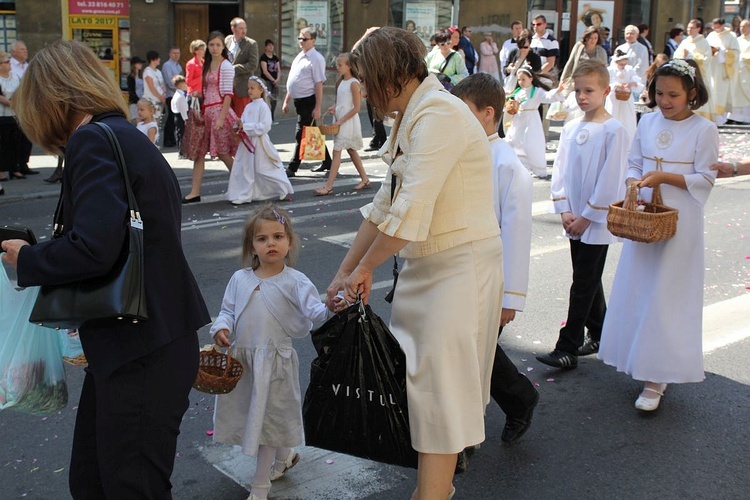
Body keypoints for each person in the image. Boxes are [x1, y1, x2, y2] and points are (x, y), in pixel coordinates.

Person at [1, 39, 210, 498]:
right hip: (146, 341)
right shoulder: (122, 135)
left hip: (139, 347)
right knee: (98, 480)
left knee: (127, 486)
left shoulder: (93, 140)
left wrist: (28, 259)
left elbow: (94, 247)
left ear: (50, 98)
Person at [326, 27, 503, 500]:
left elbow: (409, 212)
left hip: (458, 266)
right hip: (426, 266)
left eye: (366, 79)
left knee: (439, 394)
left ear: (392, 74)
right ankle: (434, 492)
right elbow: (385, 206)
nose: (363, 91)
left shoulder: (439, 114)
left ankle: (431, 496)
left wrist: (364, 271)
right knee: (422, 393)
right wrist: (345, 271)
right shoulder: (415, 113)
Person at [598, 59, 718, 411]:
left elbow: (705, 180)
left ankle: (657, 377)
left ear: (692, 94)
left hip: (681, 221)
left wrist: (664, 179)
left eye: (674, 95)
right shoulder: (647, 120)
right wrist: (634, 181)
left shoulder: (704, 130)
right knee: (640, 288)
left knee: (667, 295)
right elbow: (634, 162)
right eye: (660, 93)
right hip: (646, 218)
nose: (665, 101)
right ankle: (636, 357)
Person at [211, 205, 338, 500]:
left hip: (275, 365)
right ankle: (285, 456)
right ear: (251, 246)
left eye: (278, 236)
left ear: (290, 242)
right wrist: (221, 328)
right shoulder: (239, 279)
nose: (271, 243)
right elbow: (227, 310)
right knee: (259, 417)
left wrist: (333, 305)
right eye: (262, 238)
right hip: (245, 363)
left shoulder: (295, 281)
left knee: (266, 422)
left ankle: (260, 486)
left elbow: (316, 313)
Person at [451, 73, 540, 444]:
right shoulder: (463, 151)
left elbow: (517, 234)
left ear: (488, 113)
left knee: (471, 351)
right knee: (466, 349)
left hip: (490, 279)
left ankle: (477, 426)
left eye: (464, 112)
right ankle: (516, 399)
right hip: (458, 271)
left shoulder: (507, 164)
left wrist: (510, 297)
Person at [536, 60, 629, 370]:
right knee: (587, 278)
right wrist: (564, 209)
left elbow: (611, 178)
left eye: (589, 90)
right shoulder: (572, 126)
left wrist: (588, 216)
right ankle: (601, 333)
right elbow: (560, 168)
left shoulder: (614, 130)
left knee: (583, 281)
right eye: (577, 90)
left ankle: (568, 345)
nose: (582, 96)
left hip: (594, 220)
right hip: (573, 216)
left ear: (606, 91)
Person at [182, 31, 238, 203]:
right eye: (212, 45)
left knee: (223, 152)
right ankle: (195, 192)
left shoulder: (226, 65)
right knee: (199, 153)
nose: (214, 48)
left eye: (218, 45)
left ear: (223, 47)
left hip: (220, 112)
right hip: (207, 112)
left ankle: (243, 183)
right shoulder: (207, 64)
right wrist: (200, 94)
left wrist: (221, 118)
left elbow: (228, 94)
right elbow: (208, 88)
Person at [227, 77, 293, 205]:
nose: (249, 91)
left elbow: (265, 126)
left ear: (260, 90)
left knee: (263, 169)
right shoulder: (249, 106)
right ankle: (244, 194)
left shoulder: (263, 107)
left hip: (259, 143)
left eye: (252, 88)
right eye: (248, 88)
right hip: (247, 143)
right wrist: (239, 125)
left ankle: (282, 187)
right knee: (245, 168)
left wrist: (246, 127)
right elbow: (245, 121)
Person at [313, 53, 369, 196]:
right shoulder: (340, 82)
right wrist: (334, 107)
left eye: (340, 65)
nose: (337, 67)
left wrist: (341, 120)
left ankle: (328, 186)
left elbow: (356, 107)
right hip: (340, 120)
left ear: (349, 66)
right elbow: (341, 101)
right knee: (350, 150)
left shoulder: (354, 83)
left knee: (336, 151)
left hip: (347, 122)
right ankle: (365, 178)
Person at [282, 27, 332, 177]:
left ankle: (292, 166)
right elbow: (294, 81)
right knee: (312, 132)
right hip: (298, 100)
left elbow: (318, 84)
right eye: (299, 38)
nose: (301, 42)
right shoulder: (300, 56)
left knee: (301, 133)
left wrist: (317, 107)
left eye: (304, 39)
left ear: (313, 41)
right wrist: (286, 101)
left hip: (308, 100)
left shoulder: (316, 58)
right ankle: (327, 161)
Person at [504, 66, 564, 179]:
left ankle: (538, 169)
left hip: (531, 121)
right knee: (513, 141)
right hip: (518, 120)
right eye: (519, 79)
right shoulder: (518, 92)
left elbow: (547, 96)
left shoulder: (536, 91)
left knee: (532, 144)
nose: (520, 82)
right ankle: (520, 167)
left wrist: (558, 90)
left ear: (531, 78)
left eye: (523, 79)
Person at [675, 19, 715, 122]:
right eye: (688, 27)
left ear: (698, 29)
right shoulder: (685, 41)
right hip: (685, 76)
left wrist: (691, 56)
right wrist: (683, 56)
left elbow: (706, 59)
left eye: (692, 28)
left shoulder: (703, 42)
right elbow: (676, 55)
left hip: (698, 75)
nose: (689, 30)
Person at [9, 40, 37, 176]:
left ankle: (24, 163)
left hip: (28, 104)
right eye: (21, 50)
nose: (25, 52)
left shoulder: (28, 66)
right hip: (13, 105)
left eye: (25, 49)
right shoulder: (9, 66)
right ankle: (15, 166)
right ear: (13, 52)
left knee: (27, 136)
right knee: (15, 137)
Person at [706, 18, 740, 125]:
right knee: (711, 91)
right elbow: (705, 48)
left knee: (720, 93)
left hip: (723, 70)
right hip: (711, 67)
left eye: (717, 27)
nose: (715, 29)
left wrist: (720, 51)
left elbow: (735, 53)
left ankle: (720, 119)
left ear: (723, 25)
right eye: (714, 27)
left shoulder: (731, 37)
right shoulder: (711, 35)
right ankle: (710, 115)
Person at [605, 50, 643, 142]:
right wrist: (616, 85)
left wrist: (631, 84)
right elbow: (606, 83)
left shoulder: (629, 69)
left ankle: (628, 140)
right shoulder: (610, 70)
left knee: (627, 119)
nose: (623, 66)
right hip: (614, 98)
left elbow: (637, 81)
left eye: (624, 64)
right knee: (614, 115)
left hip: (626, 98)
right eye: (621, 64)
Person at [225, 17, 259, 118]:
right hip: (227, 86)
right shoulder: (227, 40)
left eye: (245, 28)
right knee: (228, 117)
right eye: (241, 28)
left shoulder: (251, 44)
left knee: (242, 118)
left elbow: (253, 65)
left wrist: (234, 68)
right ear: (233, 29)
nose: (244, 31)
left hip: (242, 87)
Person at [0, 51, 22, 182]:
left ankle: (15, 169)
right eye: (7, 62)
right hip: (2, 115)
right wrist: (11, 103)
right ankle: (1, 171)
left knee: (15, 143)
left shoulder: (14, 77)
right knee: (3, 144)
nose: (9, 64)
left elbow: (20, 91)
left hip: (14, 114)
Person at [615, 25, 649, 92]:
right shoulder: (619, 48)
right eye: (627, 33)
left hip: (634, 83)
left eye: (631, 34)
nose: (629, 35)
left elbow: (641, 67)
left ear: (637, 35)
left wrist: (629, 77)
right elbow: (614, 64)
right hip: (620, 83)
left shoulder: (642, 49)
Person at [728, 18, 750, 124]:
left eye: (745, 26)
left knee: (746, 94)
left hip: (747, 71)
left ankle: (746, 117)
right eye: (741, 26)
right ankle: (734, 116)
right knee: (736, 94)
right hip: (736, 71)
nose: (742, 29)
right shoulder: (737, 40)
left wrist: (744, 59)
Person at [161, 47, 183, 148]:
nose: (176, 55)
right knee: (171, 117)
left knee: (176, 118)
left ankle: (173, 140)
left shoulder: (178, 66)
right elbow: (170, 82)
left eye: (178, 53)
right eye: (174, 53)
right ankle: (167, 140)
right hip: (171, 95)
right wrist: (179, 88)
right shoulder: (167, 65)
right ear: (169, 54)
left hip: (179, 94)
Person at [142, 50, 166, 132]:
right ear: (153, 59)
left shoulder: (158, 72)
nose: (159, 59)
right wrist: (160, 96)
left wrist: (164, 94)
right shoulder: (147, 71)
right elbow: (151, 87)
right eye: (158, 58)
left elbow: (162, 85)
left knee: (158, 123)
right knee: (151, 124)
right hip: (151, 101)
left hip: (159, 102)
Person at [259, 39, 280, 119]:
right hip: (267, 81)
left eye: (272, 45)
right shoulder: (263, 57)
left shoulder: (275, 58)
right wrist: (273, 80)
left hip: (275, 82)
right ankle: (266, 118)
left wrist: (277, 79)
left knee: (274, 100)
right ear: (265, 47)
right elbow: (265, 71)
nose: (271, 47)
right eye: (269, 45)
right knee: (267, 99)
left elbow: (279, 70)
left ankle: (272, 117)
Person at [170, 75, 188, 154]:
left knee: (179, 133)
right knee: (183, 134)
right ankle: (183, 151)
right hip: (181, 116)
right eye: (185, 83)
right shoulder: (181, 96)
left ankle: (181, 150)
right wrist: (186, 119)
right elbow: (183, 109)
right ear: (180, 85)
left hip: (176, 115)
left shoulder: (175, 95)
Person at [126, 56, 145, 123]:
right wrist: (138, 101)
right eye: (139, 63)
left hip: (142, 101)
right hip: (135, 102)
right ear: (134, 65)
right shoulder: (130, 77)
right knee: (137, 121)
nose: (141, 65)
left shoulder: (141, 76)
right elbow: (131, 91)